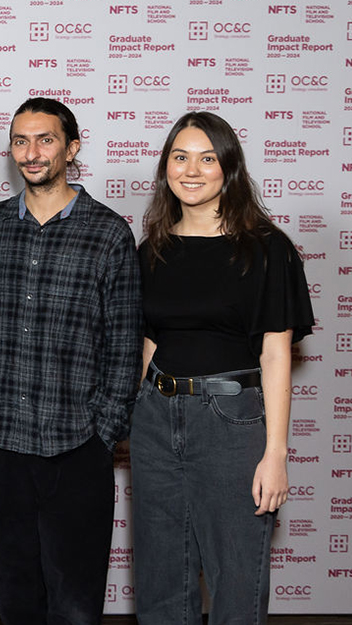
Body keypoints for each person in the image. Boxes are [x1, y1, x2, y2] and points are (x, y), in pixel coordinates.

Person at [0, 97, 141, 624]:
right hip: (3, 440)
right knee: (14, 590)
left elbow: (124, 347)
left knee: (75, 599)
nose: (32, 153)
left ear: (72, 148)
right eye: (20, 141)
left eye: (46, 139)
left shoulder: (109, 234)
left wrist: (103, 434)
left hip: (77, 444)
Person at [131, 111, 314, 625]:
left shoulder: (264, 248)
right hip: (154, 419)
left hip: (231, 424)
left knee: (237, 580)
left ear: (228, 167)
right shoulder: (152, 251)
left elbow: (276, 354)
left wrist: (274, 454)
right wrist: (138, 413)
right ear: (166, 167)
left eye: (207, 158)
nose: (192, 170)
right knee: (161, 581)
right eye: (180, 157)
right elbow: (150, 341)